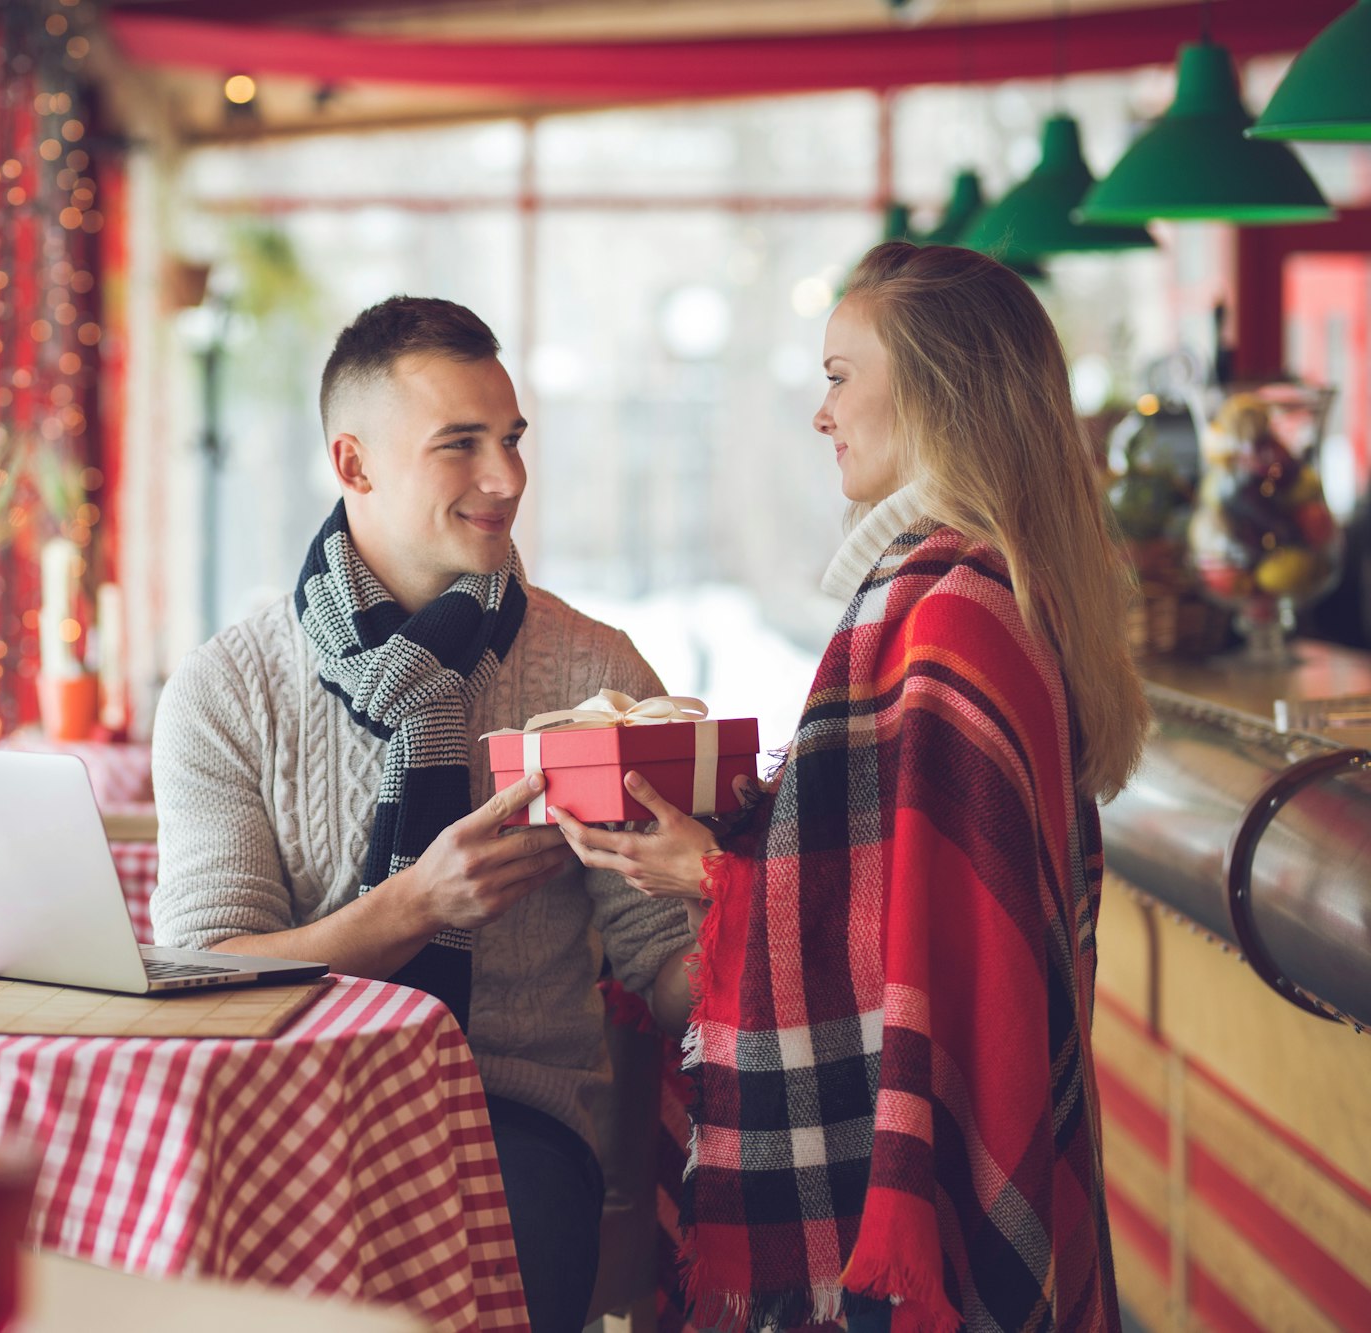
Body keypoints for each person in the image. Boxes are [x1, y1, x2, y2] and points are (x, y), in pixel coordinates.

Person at [551, 242, 1148, 1333]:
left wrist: (711, 873)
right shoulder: (966, 583)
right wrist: (744, 819)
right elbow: (897, 883)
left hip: (912, 1179)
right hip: (962, 1134)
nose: (819, 413)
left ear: (932, 388)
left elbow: (905, 937)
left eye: (837, 375)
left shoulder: (948, 607)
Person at [151, 296, 698, 1333]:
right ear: (352, 465)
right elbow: (202, 975)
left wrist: (738, 897)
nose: (506, 478)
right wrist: (411, 906)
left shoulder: (597, 672)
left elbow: (663, 967)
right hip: (277, 1101)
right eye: (460, 445)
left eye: (511, 439)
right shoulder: (227, 687)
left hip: (513, 1121)